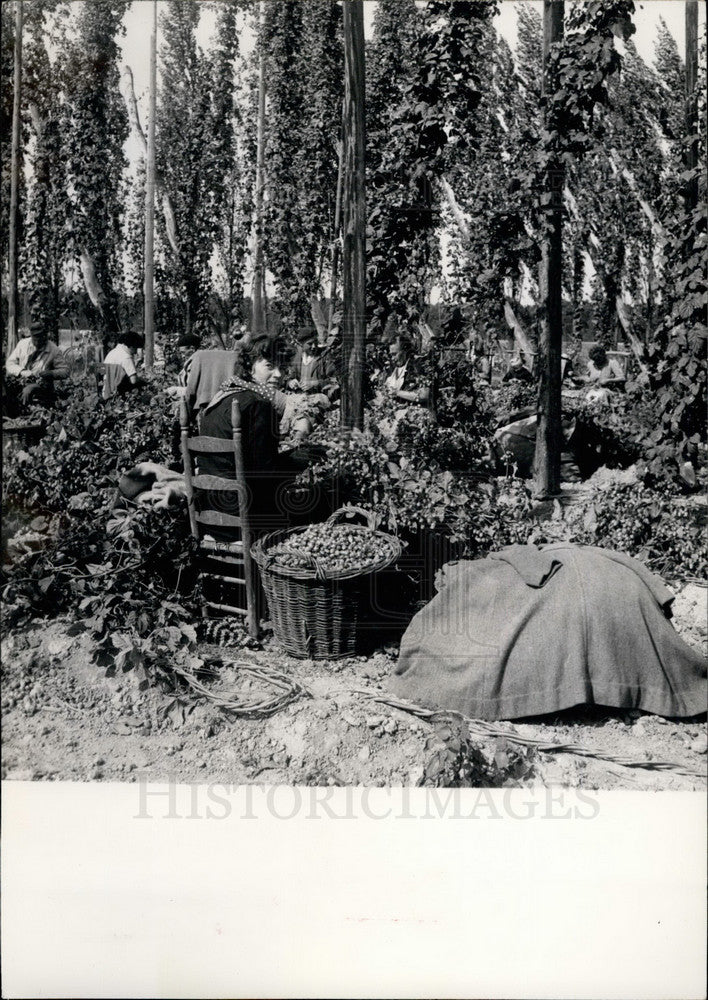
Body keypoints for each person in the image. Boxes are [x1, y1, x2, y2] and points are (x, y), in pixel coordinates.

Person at [198, 337, 331, 536]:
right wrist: (303, 458)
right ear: (249, 365)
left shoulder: (220, 397)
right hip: (243, 517)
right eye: (269, 366)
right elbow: (265, 474)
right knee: (322, 498)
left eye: (281, 367)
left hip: (208, 511)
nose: (278, 374)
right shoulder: (258, 405)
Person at [5, 318, 68, 412]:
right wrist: (22, 371)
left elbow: (65, 371)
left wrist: (51, 373)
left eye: (41, 338)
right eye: (35, 338)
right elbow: (10, 363)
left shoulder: (54, 349)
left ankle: (25, 415)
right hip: (21, 380)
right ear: (31, 336)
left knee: (28, 391)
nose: (38, 342)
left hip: (42, 386)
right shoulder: (23, 344)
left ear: (45, 336)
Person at [384, 334, 430, 405]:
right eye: (391, 355)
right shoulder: (393, 368)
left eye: (395, 354)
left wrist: (397, 392)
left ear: (405, 351)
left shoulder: (417, 365)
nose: (393, 359)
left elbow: (424, 395)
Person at [102, 330, 145, 400]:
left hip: (106, 391)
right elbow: (133, 380)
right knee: (141, 384)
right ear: (131, 346)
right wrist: (141, 379)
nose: (136, 352)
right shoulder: (126, 357)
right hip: (118, 394)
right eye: (136, 348)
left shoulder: (112, 353)